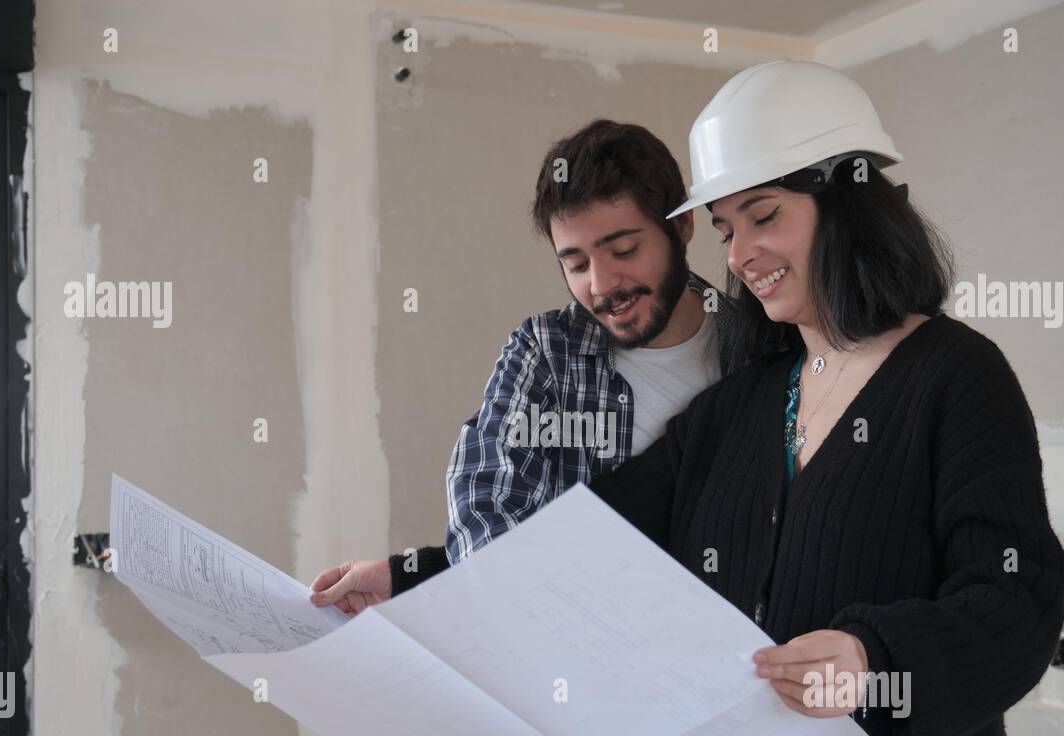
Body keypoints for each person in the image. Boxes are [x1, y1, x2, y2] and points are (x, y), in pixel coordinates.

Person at [578, 59, 1064, 736]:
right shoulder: (743, 403)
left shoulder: (957, 375)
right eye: (726, 229)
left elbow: (1020, 603)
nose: (740, 254)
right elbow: (592, 536)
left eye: (763, 215)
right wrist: (411, 575)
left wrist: (875, 661)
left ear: (846, 204)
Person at [309, 119, 764, 611]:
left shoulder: (762, 348)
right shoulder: (546, 354)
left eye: (624, 250)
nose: (602, 283)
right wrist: (414, 575)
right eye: (576, 264)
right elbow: (492, 526)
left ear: (681, 226)